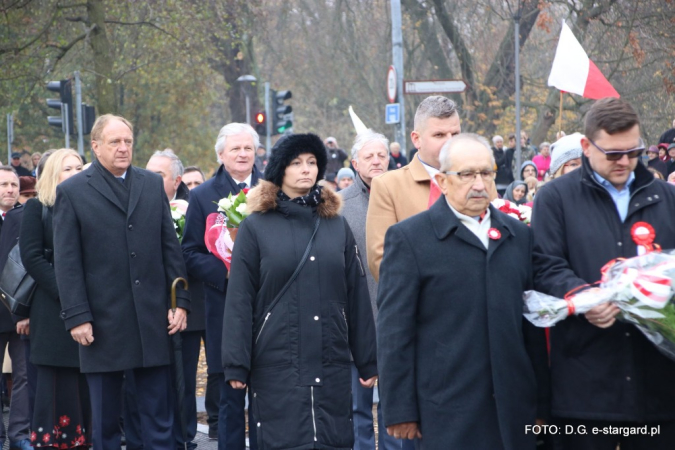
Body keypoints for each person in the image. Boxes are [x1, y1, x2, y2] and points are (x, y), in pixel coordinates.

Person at [377, 133, 547, 448]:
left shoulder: (518, 236)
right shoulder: (410, 239)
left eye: (486, 173)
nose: (479, 184)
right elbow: (394, 331)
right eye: (466, 174)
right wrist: (399, 409)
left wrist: (540, 402)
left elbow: (531, 324)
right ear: (442, 180)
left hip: (513, 409)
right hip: (446, 409)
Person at [532, 97, 675, 450]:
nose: (624, 161)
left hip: (658, 384)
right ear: (586, 146)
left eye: (634, 151)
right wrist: (584, 297)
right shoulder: (555, 198)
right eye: (612, 154)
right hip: (586, 381)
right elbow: (545, 263)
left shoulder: (667, 198)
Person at [223, 133, 377, 449]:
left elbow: (356, 293)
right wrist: (236, 363)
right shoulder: (256, 226)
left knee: (331, 438)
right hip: (276, 358)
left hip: (330, 356)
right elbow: (240, 297)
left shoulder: (336, 223)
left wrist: (368, 358)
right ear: (281, 169)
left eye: (311, 162)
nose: (306, 169)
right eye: (296, 163)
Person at [52, 114, 190, 450]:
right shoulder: (71, 192)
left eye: (128, 141)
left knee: (159, 419)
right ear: (96, 146)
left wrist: (181, 303)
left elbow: (169, 248)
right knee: (105, 424)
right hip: (101, 324)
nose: (123, 147)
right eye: (115, 142)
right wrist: (77, 316)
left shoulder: (150, 183)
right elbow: (67, 262)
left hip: (151, 321)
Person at [181, 123, 262, 449]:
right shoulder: (202, 196)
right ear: (221, 154)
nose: (243, 154)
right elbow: (188, 252)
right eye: (235, 149)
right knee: (229, 392)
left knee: (265, 392)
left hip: (265, 303)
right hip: (223, 306)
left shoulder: (272, 189)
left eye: (248, 148)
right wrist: (227, 272)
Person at [339, 130, 410, 450]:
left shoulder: (405, 197)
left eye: (381, 155)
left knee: (397, 403)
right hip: (358, 315)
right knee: (358, 404)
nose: (377, 160)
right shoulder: (340, 206)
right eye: (369, 156)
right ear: (354, 163)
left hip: (399, 313)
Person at [20, 149, 91, 448]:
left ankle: (85, 440)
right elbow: (32, 257)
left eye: (78, 167)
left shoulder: (92, 206)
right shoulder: (37, 207)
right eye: (67, 169)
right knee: (54, 385)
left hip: (91, 308)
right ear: (52, 175)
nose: (75, 173)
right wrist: (69, 293)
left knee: (86, 383)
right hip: (52, 310)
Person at [366, 95, 462, 281]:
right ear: (416, 139)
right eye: (439, 135)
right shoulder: (388, 186)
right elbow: (381, 261)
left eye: (455, 134)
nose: (450, 142)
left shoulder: (479, 180)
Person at [0, 166, 32, 450]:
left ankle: (19, 434)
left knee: (24, 375)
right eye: (3, 185)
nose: (10, 189)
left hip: (21, 309)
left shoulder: (27, 216)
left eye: (13, 184)